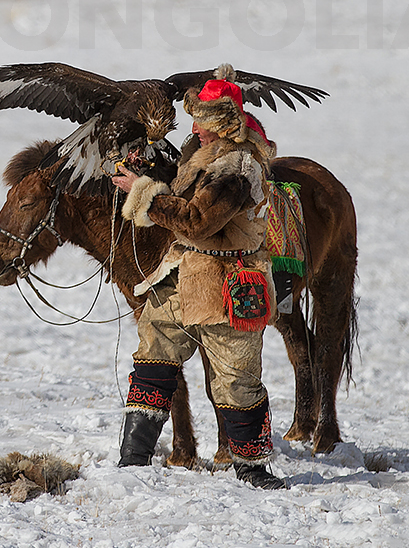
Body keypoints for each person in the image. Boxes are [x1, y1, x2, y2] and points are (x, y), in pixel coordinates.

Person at [111, 74, 285, 490]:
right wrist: (148, 174)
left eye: (201, 122)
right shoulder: (202, 155)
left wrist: (145, 194)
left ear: (224, 124)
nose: (192, 129)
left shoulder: (237, 169)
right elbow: (183, 194)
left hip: (229, 284)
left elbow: (198, 221)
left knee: (236, 376)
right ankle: (134, 459)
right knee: (153, 358)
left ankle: (251, 467)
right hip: (182, 274)